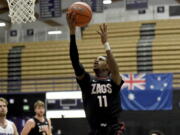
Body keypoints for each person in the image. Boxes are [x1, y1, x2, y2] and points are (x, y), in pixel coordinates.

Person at [67, 12, 125, 135]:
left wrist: (106, 45)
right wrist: (72, 33)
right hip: (95, 131)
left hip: (114, 130)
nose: (96, 60)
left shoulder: (114, 81)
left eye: (100, 59)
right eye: (95, 59)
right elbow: (75, 61)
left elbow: (116, 69)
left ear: (108, 66)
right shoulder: (87, 81)